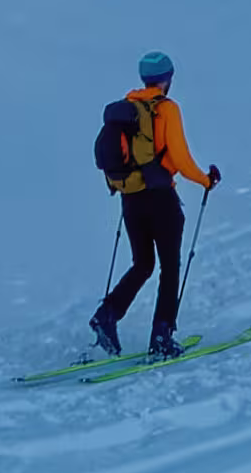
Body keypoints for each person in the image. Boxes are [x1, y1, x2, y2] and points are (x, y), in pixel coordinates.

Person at [91, 51, 218, 359]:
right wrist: (205, 180)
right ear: (167, 78)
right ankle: (161, 336)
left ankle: (106, 314)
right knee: (169, 267)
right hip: (160, 198)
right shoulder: (166, 109)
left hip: (130, 197)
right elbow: (180, 159)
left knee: (143, 264)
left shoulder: (127, 107)